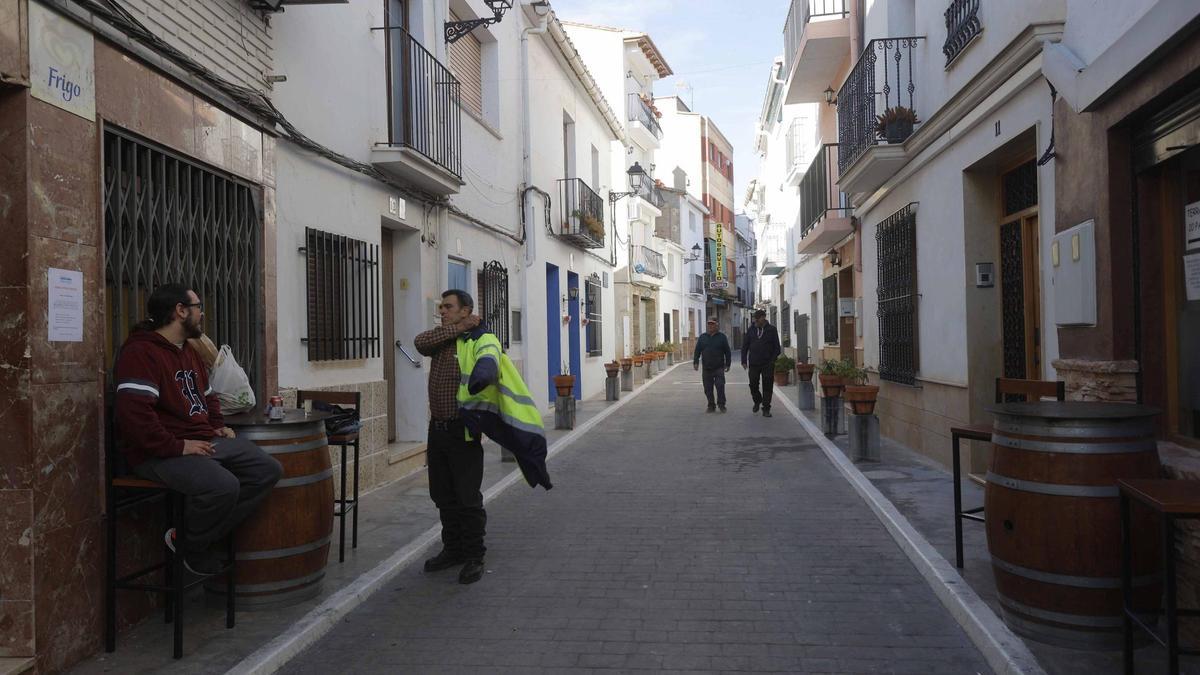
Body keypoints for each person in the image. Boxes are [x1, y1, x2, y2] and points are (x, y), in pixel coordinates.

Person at [115, 284, 283, 575]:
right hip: (159, 453)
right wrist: (179, 446)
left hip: (200, 441)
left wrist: (217, 426)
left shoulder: (188, 351)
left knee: (267, 469)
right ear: (180, 311)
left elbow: (208, 396)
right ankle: (190, 545)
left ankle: (201, 537)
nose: (202, 314)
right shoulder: (141, 353)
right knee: (223, 486)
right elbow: (135, 419)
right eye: (197, 307)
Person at [415, 289, 551, 585]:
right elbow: (419, 343)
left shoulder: (479, 339)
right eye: (441, 307)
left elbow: (489, 357)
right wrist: (456, 328)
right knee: (442, 495)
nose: (443, 311)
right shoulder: (441, 338)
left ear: (466, 310)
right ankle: (452, 549)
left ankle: (474, 555)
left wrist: (484, 372)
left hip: (461, 431)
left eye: (448, 307)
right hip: (436, 430)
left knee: (467, 497)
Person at [741, 309, 782, 417]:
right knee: (753, 384)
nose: (755, 321)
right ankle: (757, 400)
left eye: (757, 319)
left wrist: (772, 360)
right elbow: (745, 346)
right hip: (754, 363)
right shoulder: (751, 330)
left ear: (763, 318)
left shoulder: (772, 330)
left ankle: (766, 408)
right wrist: (744, 360)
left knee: (767, 386)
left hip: (767, 363)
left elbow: (777, 348)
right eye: (755, 319)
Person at [692, 317, 731, 412]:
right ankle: (711, 405)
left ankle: (721, 404)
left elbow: (727, 351)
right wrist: (696, 362)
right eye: (709, 324)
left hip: (719, 367)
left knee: (720, 386)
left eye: (712, 324)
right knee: (707, 389)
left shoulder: (722, 337)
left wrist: (728, 364)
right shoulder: (702, 337)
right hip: (706, 367)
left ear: (717, 325)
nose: (710, 326)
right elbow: (697, 350)